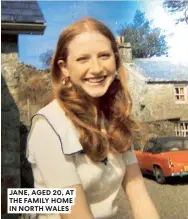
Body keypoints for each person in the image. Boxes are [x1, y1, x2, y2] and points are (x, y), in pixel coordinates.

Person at [26, 17, 160, 219]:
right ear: (64, 68)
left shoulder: (114, 119)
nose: (97, 68)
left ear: (115, 60)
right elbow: (76, 214)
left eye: (104, 56)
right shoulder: (48, 127)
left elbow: (138, 194)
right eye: (83, 59)